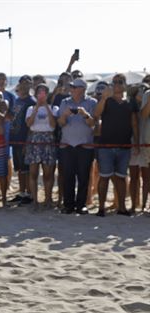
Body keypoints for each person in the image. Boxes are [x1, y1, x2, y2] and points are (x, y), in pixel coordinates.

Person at [93, 74, 138, 216]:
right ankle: (101, 208)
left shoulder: (130, 102)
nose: (117, 84)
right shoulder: (106, 100)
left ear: (125, 85)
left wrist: (136, 142)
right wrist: (104, 97)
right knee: (104, 177)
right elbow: (96, 114)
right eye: (114, 82)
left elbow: (134, 123)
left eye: (120, 82)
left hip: (124, 146)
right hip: (106, 145)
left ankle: (122, 208)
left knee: (121, 177)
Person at [57, 78, 97, 214]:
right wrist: (65, 115)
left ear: (82, 89)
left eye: (74, 87)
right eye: (71, 87)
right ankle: (68, 205)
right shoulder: (64, 102)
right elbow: (60, 123)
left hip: (85, 145)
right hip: (67, 144)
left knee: (84, 177)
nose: (71, 89)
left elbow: (93, 124)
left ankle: (81, 205)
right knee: (67, 176)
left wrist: (85, 114)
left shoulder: (92, 102)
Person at [25, 84, 59, 209]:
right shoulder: (30, 108)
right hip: (34, 139)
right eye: (39, 92)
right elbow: (29, 124)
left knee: (48, 173)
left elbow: (53, 125)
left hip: (48, 138)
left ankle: (48, 199)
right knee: (33, 173)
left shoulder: (54, 108)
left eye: (44, 92)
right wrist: (37, 107)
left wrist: (46, 106)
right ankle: (35, 200)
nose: (41, 94)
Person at [9, 75, 36, 204]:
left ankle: (29, 194)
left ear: (31, 85)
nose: (24, 85)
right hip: (15, 139)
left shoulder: (32, 101)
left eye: (27, 83)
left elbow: (32, 125)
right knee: (19, 169)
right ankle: (21, 192)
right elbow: (12, 117)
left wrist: (28, 142)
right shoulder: (17, 100)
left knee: (27, 169)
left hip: (25, 139)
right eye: (22, 83)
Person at [129, 83, 150, 213]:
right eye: (139, 91)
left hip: (145, 144)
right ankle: (134, 205)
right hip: (135, 144)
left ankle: (143, 205)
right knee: (134, 177)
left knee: (146, 178)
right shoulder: (131, 106)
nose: (141, 93)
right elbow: (142, 116)